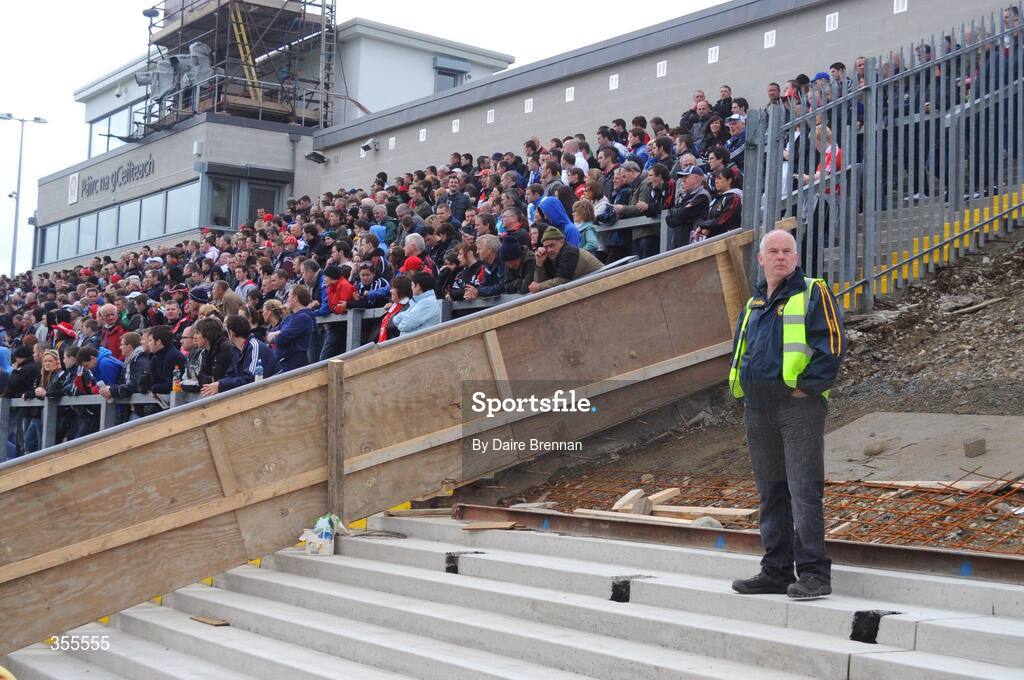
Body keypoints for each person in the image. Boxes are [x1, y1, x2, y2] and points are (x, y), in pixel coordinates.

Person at [728, 229, 845, 599]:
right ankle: (776, 570)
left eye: (787, 251)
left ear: (796, 257)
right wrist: (742, 389)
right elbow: (741, 349)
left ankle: (813, 573)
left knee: (803, 490)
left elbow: (834, 343)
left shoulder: (813, 291)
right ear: (760, 259)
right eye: (773, 251)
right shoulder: (755, 303)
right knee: (771, 491)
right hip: (758, 408)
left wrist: (805, 388)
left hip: (798, 408)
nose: (781, 256)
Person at [202, 315, 280, 396]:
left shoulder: (255, 347)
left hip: (273, 392)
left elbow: (251, 379)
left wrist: (221, 385)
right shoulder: (236, 350)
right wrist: (219, 384)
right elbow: (231, 374)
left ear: (231, 333)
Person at [529, 227, 602, 293]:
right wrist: (539, 263)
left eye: (552, 245)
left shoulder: (569, 252)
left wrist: (540, 286)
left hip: (603, 282)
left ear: (562, 242)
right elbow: (539, 283)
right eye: (546, 247)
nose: (549, 250)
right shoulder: (551, 255)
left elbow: (562, 280)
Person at [267, 285, 316, 372]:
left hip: (292, 367)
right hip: (282, 364)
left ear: (295, 298)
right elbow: (270, 334)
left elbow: (280, 340)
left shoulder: (303, 317)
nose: (287, 300)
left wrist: (278, 334)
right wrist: (278, 332)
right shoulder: (290, 317)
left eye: (289, 296)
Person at [666, 166, 712, 249]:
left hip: (693, 242)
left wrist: (676, 213)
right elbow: (669, 220)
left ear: (696, 178)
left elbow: (682, 213)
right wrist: (678, 213)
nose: (682, 180)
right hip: (680, 241)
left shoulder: (702, 196)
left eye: (686, 177)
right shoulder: (684, 196)